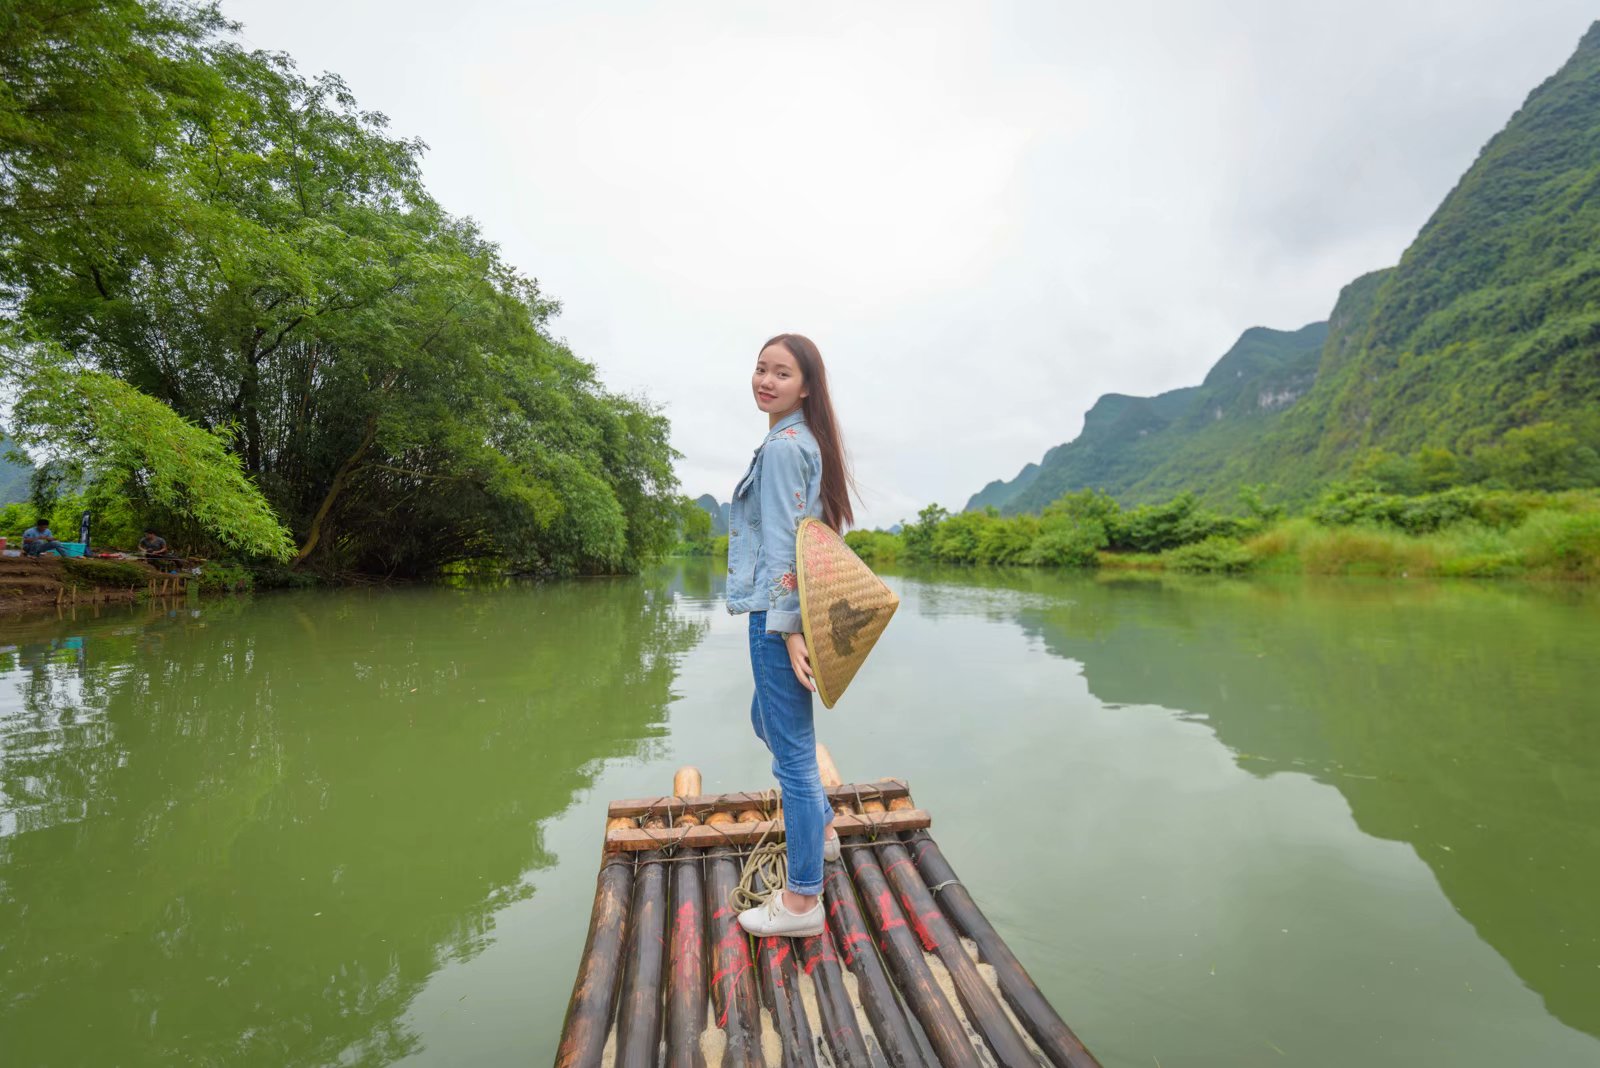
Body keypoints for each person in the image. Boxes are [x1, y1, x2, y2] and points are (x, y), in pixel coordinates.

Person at [727, 333, 856, 938]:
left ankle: (803, 901)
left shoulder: (784, 447)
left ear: (805, 386)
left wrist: (787, 629)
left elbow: (785, 543)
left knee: (797, 761)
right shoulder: (802, 441)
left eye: (781, 373)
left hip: (774, 618)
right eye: (761, 369)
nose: (766, 380)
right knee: (768, 722)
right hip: (785, 613)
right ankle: (823, 827)